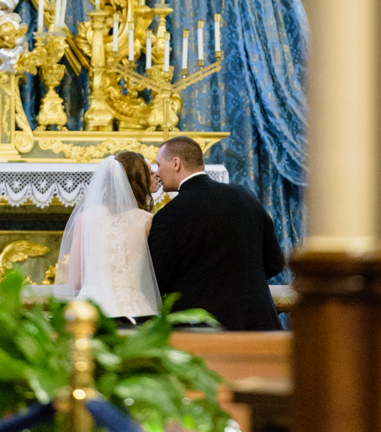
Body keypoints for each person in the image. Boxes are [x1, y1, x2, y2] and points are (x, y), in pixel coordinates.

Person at [146, 135, 286, 331]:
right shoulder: (245, 196)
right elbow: (275, 263)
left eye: (159, 165)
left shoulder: (169, 215)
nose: (157, 173)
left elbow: (156, 281)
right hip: (257, 324)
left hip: (203, 330)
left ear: (176, 163)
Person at [54, 151, 161, 322]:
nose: (156, 174)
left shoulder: (84, 218)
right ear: (135, 181)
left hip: (89, 309)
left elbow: (74, 281)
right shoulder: (147, 221)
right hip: (133, 307)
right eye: (149, 172)